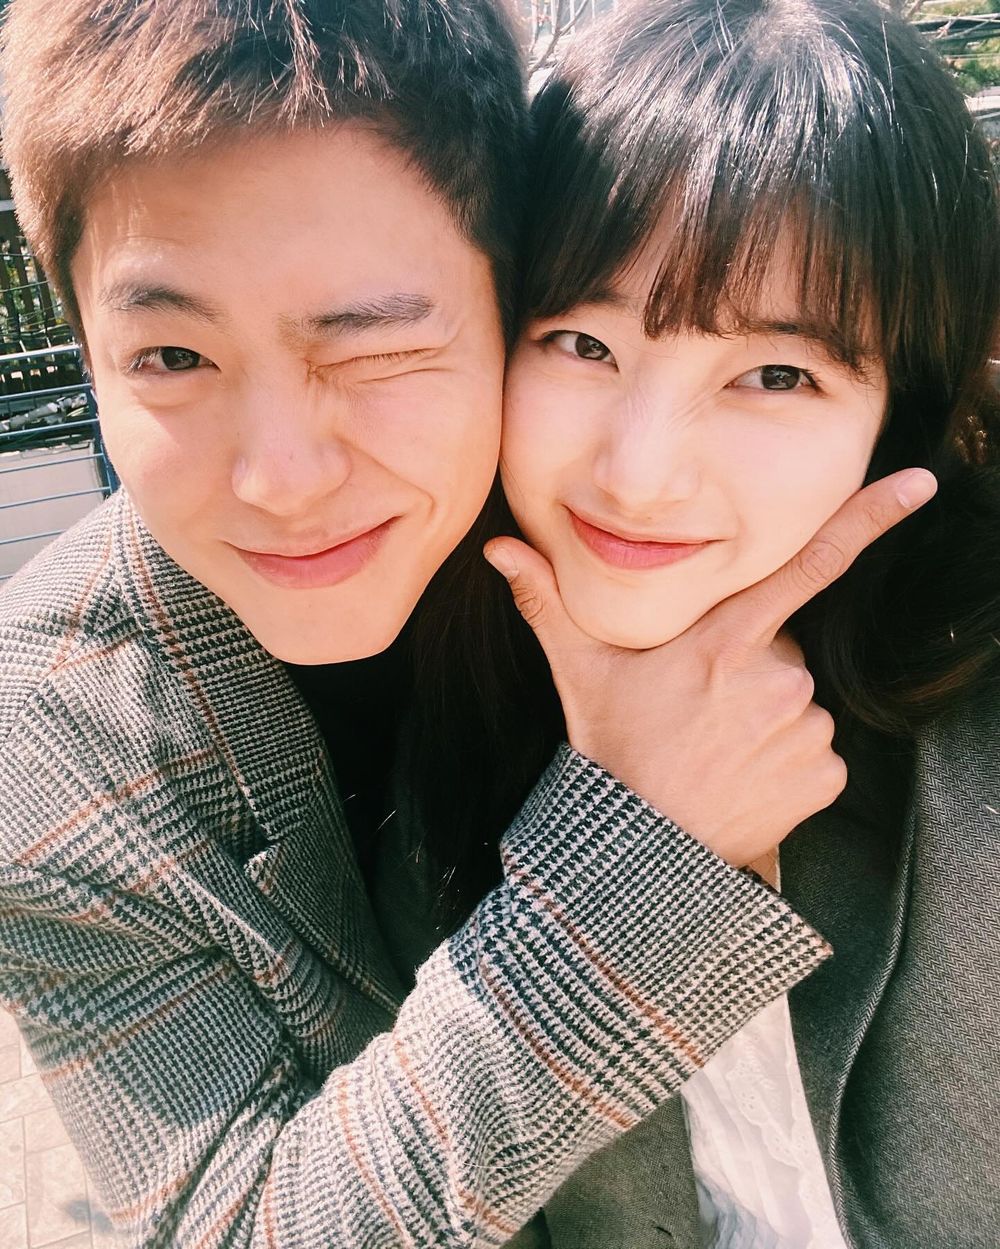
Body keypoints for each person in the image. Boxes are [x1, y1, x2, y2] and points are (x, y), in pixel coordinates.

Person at [0, 1, 924, 1245]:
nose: (280, 480)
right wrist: (634, 855)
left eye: (375, 350)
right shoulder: (47, 744)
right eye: (169, 357)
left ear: (506, 297)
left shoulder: (631, 529)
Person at [464, 0, 999, 1244]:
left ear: (898, 415)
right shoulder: (418, 714)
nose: (638, 474)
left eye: (774, 374)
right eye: (580, 342)